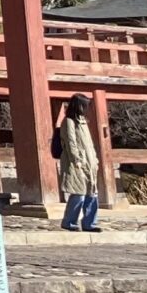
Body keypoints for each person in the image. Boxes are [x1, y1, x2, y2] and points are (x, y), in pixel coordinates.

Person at [56, 92, 103, 231]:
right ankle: (69, 222)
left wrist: (94, 159)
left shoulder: (83, 121)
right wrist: (76, 159)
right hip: (76, 163)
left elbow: (89, 143)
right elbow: (71, 142)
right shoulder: (69, 122)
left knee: (92, 194)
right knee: (79, 194)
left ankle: (90, 223)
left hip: (90, 162)